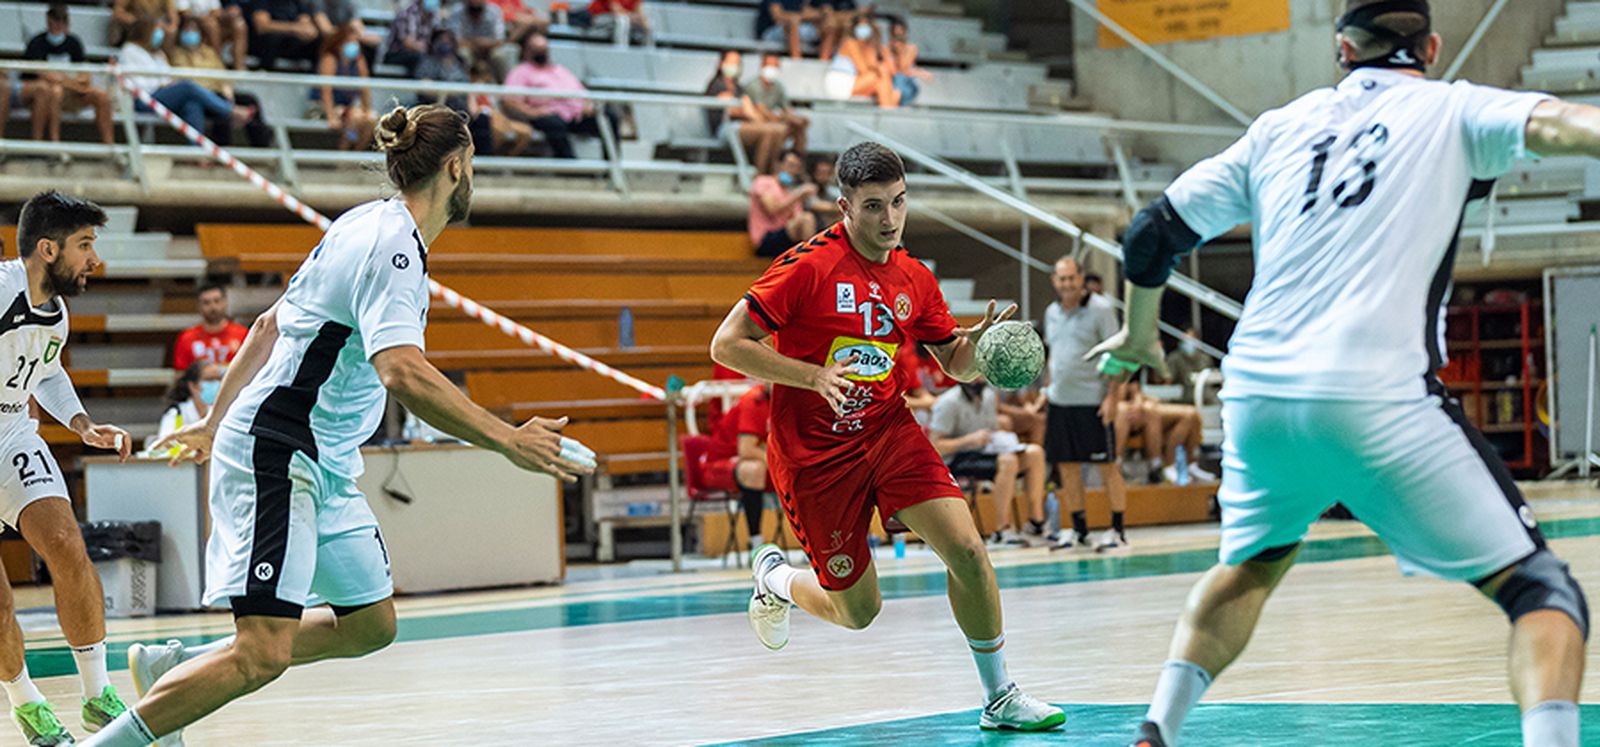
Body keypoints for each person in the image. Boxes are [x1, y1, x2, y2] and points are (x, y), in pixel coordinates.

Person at [1097, 3, 1593, 746]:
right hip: (1377, 396)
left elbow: (1147, 236)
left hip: (1259, 395)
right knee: (1541, 591)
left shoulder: (1277, 128)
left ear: (1341, 49)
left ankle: (1154, 730)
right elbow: (1560, 126)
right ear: (1430, 45)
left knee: (1251, 564)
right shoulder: (1454, 107)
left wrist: (1139, 337)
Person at [88, 104, 597, 747]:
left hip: (323, 460)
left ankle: (177, 669)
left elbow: (272, 323)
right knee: (262, 653)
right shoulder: (394, 252)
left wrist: (215, 421)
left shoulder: (362, 223)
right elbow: (403, 373)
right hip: (280, 451)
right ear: (457, 167)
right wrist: (508, 439)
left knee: (370, 625)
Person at [710, 141, 1064, 732]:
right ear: (844, 205)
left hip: (887, 430)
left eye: (899, 203)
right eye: (874, 206)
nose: (890, 219)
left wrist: (981, 344)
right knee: (859, 612)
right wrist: (812, 376)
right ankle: (773, 577)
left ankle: (1000, 696)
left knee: (968, 551)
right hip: (816, 457)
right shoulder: (806, 267)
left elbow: (952, 358)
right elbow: (727, 344)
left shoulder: (913, 276)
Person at [0, 192, 135, 747]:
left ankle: (97, 696)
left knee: (65, 543)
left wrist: (82, 424)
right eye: (85, 245)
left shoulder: (55, 309)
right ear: (47, 248)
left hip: (10, 433)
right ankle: (25, 704)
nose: (94, 259)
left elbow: (48, 373)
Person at [1043, 255, 1129, 552]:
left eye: (1071, 278)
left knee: (1107, 466)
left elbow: (1117, 354)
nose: (1067, 284)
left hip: (1093, 402)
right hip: (1059, 401)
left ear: (1080, 279)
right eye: (1061, 279)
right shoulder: (1051, 312)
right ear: (1054, 281)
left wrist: (1112, 396)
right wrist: (1047, 390)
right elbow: (1054, 356)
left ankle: (1117, 530)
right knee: (1067, 468)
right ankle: (1079, 530)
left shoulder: (1101, 310)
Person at [929, 379, 1049, 544]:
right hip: (957, 459)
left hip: (987, 451)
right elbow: (935, 445)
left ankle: (1036, 522)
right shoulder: (948, 403)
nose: (977, 379)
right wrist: (969, 440)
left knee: (1035, 453)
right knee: (1008, 462)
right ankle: (1003, 529)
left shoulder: (989, 396)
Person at [119, 18, 256, 135]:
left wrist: (168, 83)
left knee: (192, 104)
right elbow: (137, 84)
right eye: (156, 30)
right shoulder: (130, 51)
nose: (160, 34)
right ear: (145, 32)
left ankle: (197, 153)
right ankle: (231, 111)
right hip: (144, 100)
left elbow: (168, 76)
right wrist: (164, 84)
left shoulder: (158, 54)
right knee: (187, 86)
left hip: (163, 96)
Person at [502, 34, 614, 159]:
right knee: (554, 123)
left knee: (609, 116)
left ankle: (611, 165)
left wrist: (587, 105)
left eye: (543, 49)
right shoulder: (521, 71)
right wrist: (533, 112)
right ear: (527, 51)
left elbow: (582, 92)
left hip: (576, 115)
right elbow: (510, 101)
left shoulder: (560, 70)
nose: (541, 52)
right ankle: (570, 165)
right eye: (536, 49)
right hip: (545, 115)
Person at [20, 4, 116, 145]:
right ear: (48, 23)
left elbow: (85, 77)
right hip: (44, 94)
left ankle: (110, 145)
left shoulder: (74, 43)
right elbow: (44, 76)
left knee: (101, 96)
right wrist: (73, 83)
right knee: (54, 91)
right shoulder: (37, 43)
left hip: (72, 93)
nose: (56, 28)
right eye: (52, 24)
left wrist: (67, 82)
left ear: (67, 24)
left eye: (60, 24)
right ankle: (55, 143)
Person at [169, 16, 271, 148]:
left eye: (193, 30)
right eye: (186, 30)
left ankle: (263, 148)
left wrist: (227, 87)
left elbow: (222, 75)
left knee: (249, 100)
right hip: (199, 96)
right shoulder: (176, 54)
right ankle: (223, 148)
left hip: (217, 92)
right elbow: (182, 82)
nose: (190, 33)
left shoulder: (210, 53)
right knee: (218, 108)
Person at [703, 384, 773, 550]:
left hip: (760, 462)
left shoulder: (789, 402)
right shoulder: (754, 401)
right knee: (753, 470)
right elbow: (747, 449)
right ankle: (756, 543)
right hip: (721, 464)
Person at [705, 50, 787, 175]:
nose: (734, 66)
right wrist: (748, 112)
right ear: (721, 63)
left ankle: (770, 176)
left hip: (743, 125)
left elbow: (748, 109)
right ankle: (759, 177)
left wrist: (751, 113)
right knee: (768, 130)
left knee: (777, 130)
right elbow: (735, 110)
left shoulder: (739, 88)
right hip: (725, 129)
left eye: (737, 63)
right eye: (731, 62)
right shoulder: (716, 85)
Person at [310, 26, 376, 151]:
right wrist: (331, 116)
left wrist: (367, 110)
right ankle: (343, 154)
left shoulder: (358, 61)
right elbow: (326, 92)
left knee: (370, 120)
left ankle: (356, 152)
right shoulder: (330, 59)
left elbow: (364, 88)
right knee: (354, 118)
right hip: (323, 106)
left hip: (347, 108)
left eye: (355, 42)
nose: (353, 46)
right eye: (350, 42)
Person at [748, 149, 817, 258]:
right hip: (765, 238)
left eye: (797, 167)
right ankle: (812, 263)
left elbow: (797, 218)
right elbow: (771, 209)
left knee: (810, 220)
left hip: (787, 238)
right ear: (778, 165)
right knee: (807, 218)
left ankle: (810, 261)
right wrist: (799, 194)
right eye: (790, 165)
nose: (792, 170)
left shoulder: (790, 191)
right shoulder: (763, 181)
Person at [149, 361, 226, 451]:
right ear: (192, 385)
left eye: (218, 379)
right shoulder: (176, 413)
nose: (216, 384)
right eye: (210, 379)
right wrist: (183, 441)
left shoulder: (220, 412)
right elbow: (158, 449)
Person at [173, 283, 249, 370]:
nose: (213, 307)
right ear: (198, 306)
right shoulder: (186, 338)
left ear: (225, 302)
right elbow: (180, 375)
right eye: (206, 303)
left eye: (217, 301)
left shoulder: (243, 335)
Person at [826, 18, 898, 108]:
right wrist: (879, 69)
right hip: (841, 83)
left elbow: (891, 71)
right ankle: (890, 107)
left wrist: (880, 46)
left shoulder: (869, 47)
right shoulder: (850, 43)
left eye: (866, 26)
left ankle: (888, 109)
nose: (863, 29)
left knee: (882, 80)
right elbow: (863, 69)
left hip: (855, 82)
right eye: (861, 26)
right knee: (879, 76)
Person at [745, 53, 808, 154]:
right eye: (770, 65)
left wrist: (796, 118)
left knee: (799, 127)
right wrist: (782, 118)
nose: (772, 69)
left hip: (774, 121)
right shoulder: (753, 85)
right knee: (779, 129)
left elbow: (787, 108)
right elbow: (761, 110)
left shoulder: (779, 87)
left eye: (775, 66)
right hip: (758, 122)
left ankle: (797, 160)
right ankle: (773, 164)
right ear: (762, 66)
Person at [468, 60, 533, 156]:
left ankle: (509, 157)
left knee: (526, 131)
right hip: (489, 121)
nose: (483, 78)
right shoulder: (470, 90)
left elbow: (502, 106)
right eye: (479, 75)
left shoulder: (493, 89)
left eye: (485, 74)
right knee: (499, 132)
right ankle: (492, 159)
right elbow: (473, 111)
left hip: (501, 119)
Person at [248, 0, 320, 70]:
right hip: (268, 43)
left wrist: (307, 30)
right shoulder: (262, 2)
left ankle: (316, 76)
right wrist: (294, 28)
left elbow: (305, 23)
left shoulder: (296, 2)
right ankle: (265, 73)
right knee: (272, 39)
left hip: (292, 41)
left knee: (318, 40)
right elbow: (262, 26)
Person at [178, 0, 249, 70]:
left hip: (212, 22)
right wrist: (206, 19)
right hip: (192, 24)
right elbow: (185, 13)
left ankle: (239, 67)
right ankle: (218, 64)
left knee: (239, 25)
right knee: (212, 25)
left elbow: (216, 11)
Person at [382, 0, 441, 77]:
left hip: (420, 54)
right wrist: (427, 47)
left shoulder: (434, 16)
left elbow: (438, 38)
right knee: (422, 59)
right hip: (396, 54)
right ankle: (424, 85)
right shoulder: (406, 13)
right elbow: (407, 43)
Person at [886, 17, 931, 107]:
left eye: (901, 32)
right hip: (893, 82)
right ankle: (892, 106)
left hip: (907, 83)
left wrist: (901, 51)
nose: (898, 34)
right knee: (898, 79)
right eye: (895, 32)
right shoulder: (886, 49)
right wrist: (919, 73)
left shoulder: (912, 48)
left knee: (901, 79)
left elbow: (904, 67)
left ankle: (894, 105)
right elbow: (893, 71)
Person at [1164, 327, 1214, 404]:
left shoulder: (1205, 358)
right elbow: (1168, 380)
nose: (1188, 342)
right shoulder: (1174, 358)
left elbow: (1212, 378)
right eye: (1185, 339)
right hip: (1183, 399)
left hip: (1204, 398)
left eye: (1191, 339)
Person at [110, 0, 178, 47]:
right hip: (133, 32)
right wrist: (137, 23)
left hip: (154, 31)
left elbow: (173, 19)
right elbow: (117, 12)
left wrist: (164, 27)